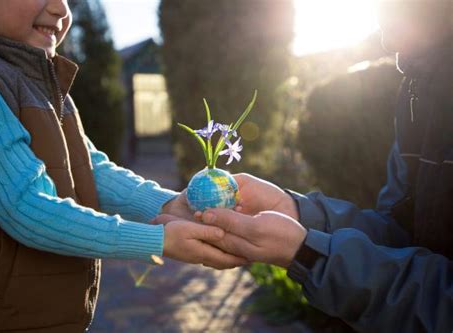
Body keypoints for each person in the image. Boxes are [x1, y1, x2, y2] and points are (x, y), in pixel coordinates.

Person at [157, 0, 453, 332]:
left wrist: (308, 254)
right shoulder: (419, 91)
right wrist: (297, 211)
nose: (386, 41)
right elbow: (399, 234)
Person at [0, 0, 246, 332]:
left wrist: (169, 204)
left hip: (50, 313)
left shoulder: (44, 84)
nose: (61, 10)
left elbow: (91, 170)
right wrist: (157, 240)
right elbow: (26, 206)